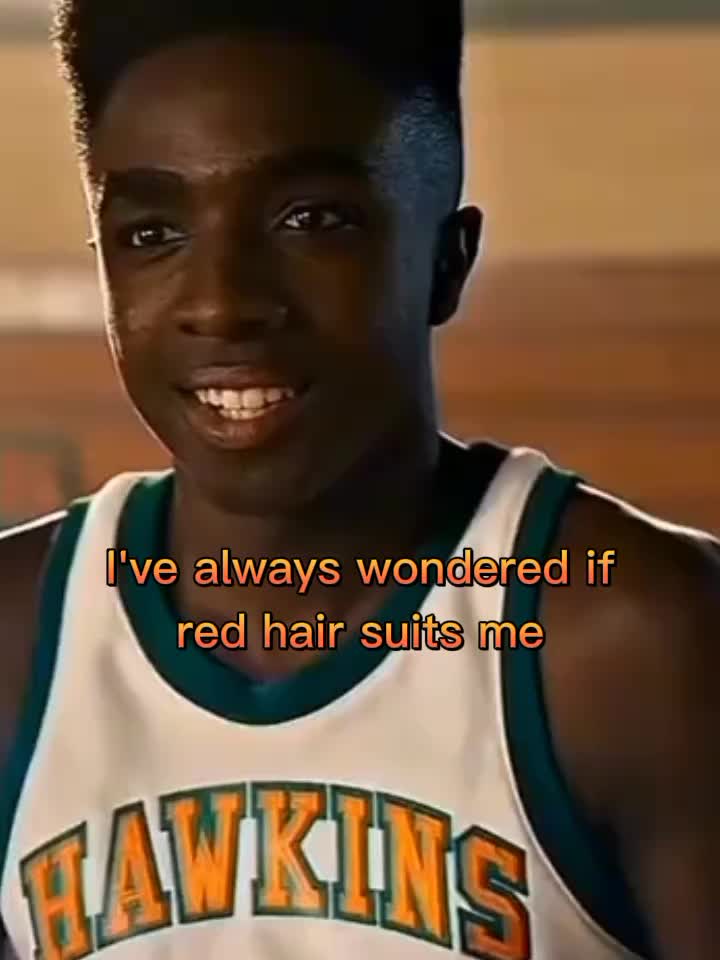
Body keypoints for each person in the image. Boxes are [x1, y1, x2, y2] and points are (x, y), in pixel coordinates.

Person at [0, 2, 717, 958]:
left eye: (310, 221)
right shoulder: (18, 637)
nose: (221, 303)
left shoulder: (632, 639)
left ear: (447, 263)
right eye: (153, 233)